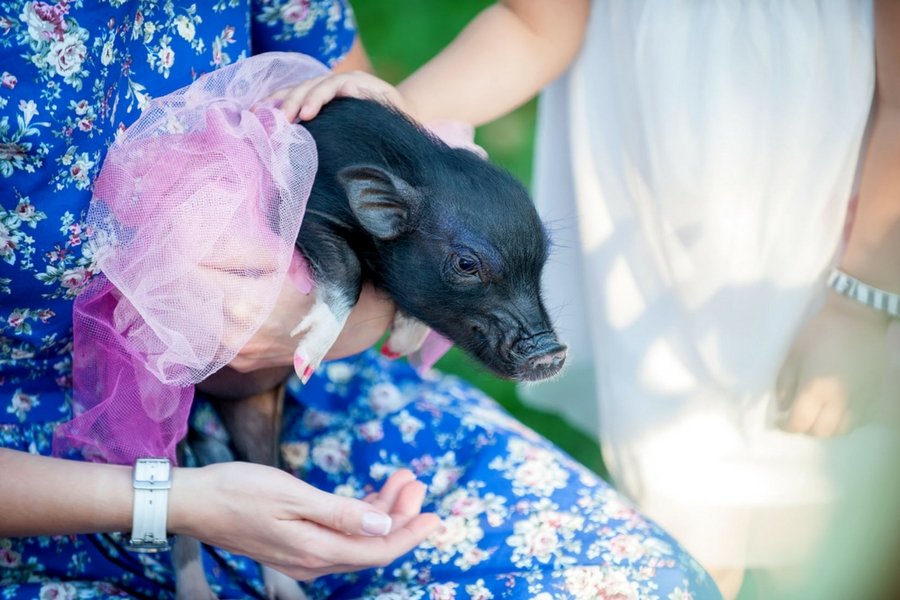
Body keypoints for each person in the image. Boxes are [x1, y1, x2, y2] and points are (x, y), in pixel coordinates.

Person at [0, 1, 720, 598]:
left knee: (645, 583)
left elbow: (358, 141)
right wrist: (175, 503)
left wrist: (345, 311)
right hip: (49, 478)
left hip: (294, 382)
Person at [284, 0, 900, 598]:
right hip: (645, 194)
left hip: (819, 202)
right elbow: (537, 21)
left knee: (819, 504)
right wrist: (396, 142)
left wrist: (862, 300)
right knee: (682, 491)